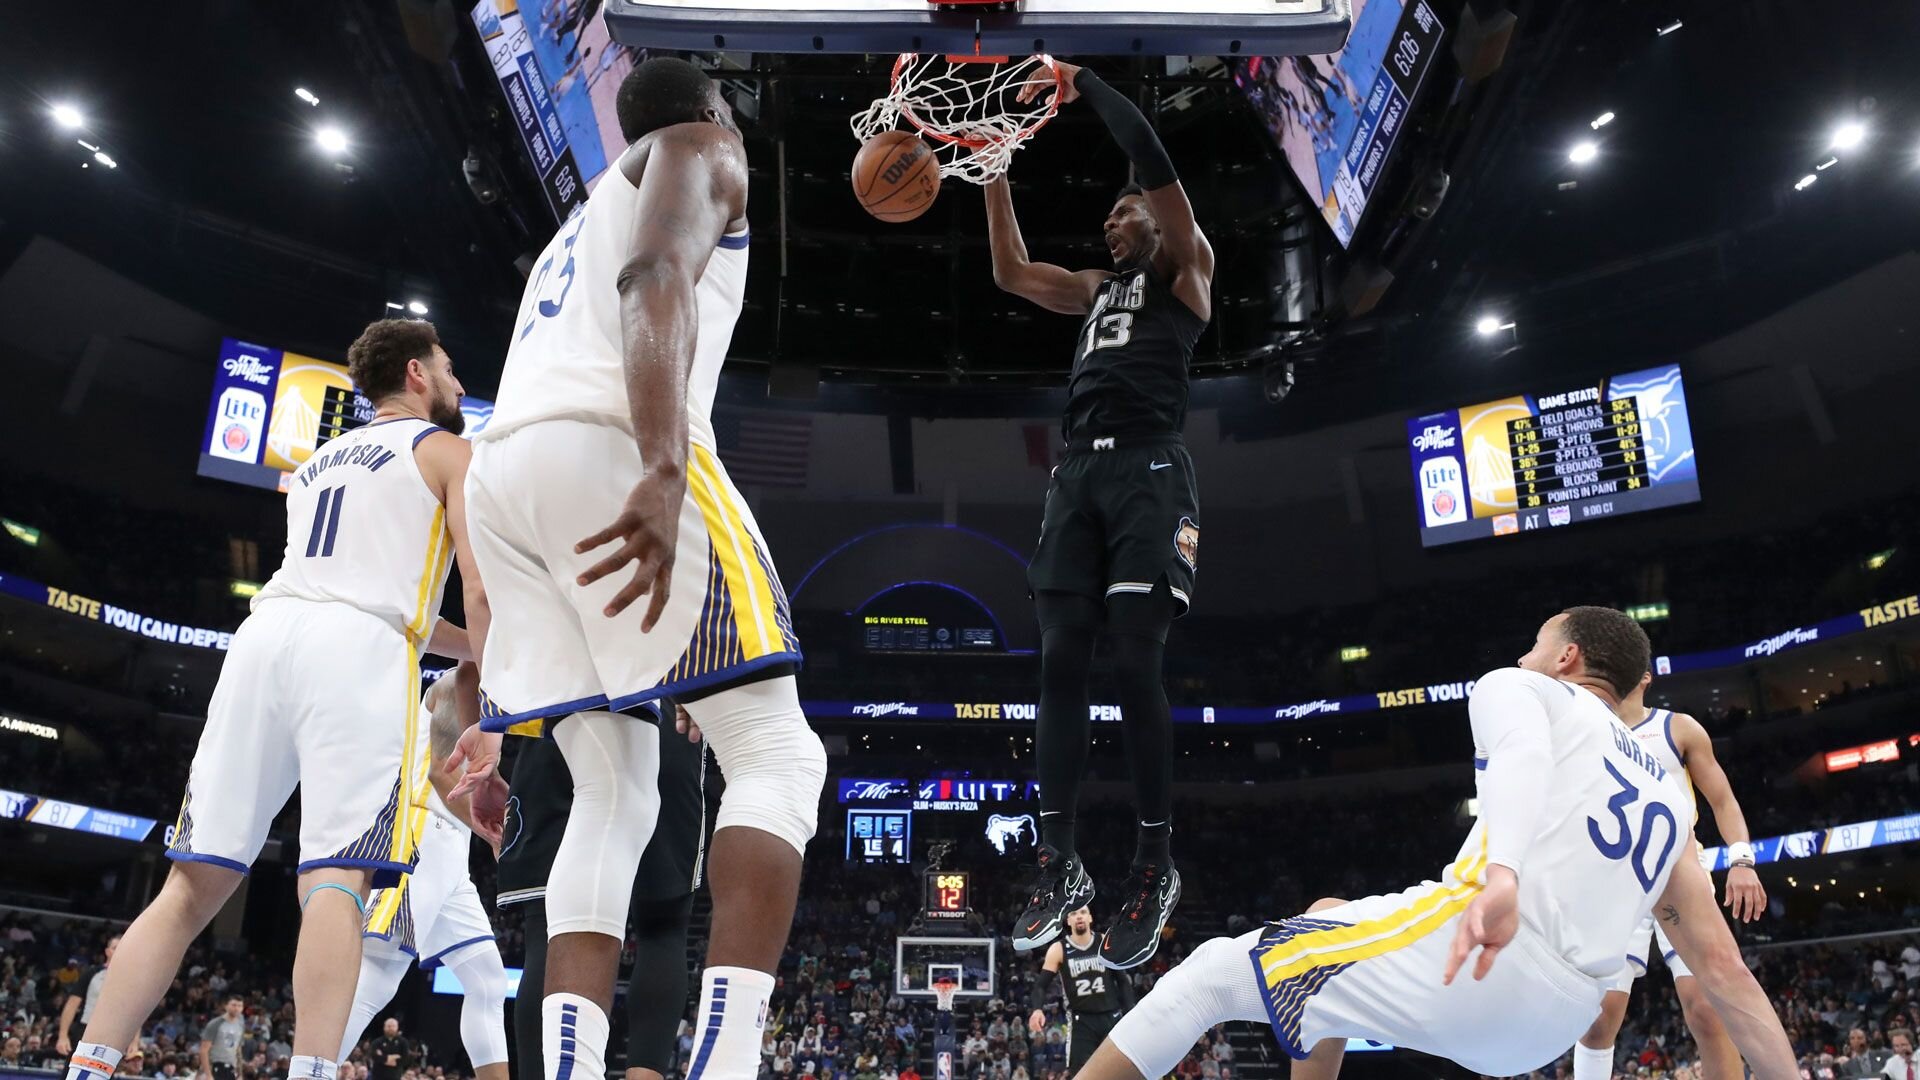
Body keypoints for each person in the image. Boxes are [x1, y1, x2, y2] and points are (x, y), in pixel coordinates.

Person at [449, 54, 825, 1080]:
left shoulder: (566, 231)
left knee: (615, 790)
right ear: (709, 112)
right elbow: (655, 277)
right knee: (781, 758)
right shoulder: (708, 147)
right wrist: (663, 466)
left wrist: (493, 723)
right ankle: (728, 1062)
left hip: (506, 483)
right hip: (614, 446)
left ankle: (570, 1068)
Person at [1065, 607, 1799, 1080]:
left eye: (1537, 641)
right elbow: (1728, 976)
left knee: (1209, 974)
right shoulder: (1671, 797)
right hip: (1555, 1026)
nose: (1527, 650)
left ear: (1569, 657)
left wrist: (1503, 875)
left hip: (1489, 956)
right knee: (1323, 930)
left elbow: (1520, 757)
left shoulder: (1527, 689)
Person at [61, 318, 485, 1080]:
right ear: (417, 373)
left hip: (266, 639)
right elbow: (474, 595)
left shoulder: (317, 463)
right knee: (336, 876)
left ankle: (87, 1066)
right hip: (358, 650)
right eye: (450, 370)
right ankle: (314, 1071)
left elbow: (395, 599)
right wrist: (494, 703)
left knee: (191, 884)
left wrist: (451, 640)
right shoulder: (450, 451)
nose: (459, 384)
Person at [987, 58, 1214, 970]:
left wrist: (1087, 88)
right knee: (1058, 659)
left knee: (1134, 657)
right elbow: (1008, 272)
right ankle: (1058, 860)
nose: (1113, 219)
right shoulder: (1090, 289)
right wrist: (990, 163)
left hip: (1151, 471)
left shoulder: (1188, 272)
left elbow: (1151, 158)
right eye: (1110, 214)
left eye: (1127, 210)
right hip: (1077, 475)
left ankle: (1153, 864)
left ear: (1160, 219)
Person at [1572, 671, 1768, 1080]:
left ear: (1644, 676)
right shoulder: (1582, 728)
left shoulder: (1676, 728)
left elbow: (1724, 800)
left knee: (1707, 1011)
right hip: (1614, 880)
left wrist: (1742, 861)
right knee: (1598, 1021)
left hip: (1679, 875)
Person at [499, 700, 708, 1080]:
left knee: (546, 926)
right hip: (662, 705)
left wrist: (485, 731)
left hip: (555, 707)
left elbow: (471, 669)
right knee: (664, 925)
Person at [341, 667, 509, 1080]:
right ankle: (307, 1071)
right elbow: (438, 771)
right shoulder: (460, 682)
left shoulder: (498, 693)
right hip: (421, 836)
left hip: (452, 850)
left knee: (488, 979)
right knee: (379, 974)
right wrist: (495, 837)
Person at [1026, 907, 1134, 1073]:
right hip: (1081, 1021)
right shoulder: (1058, 949)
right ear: (1068, 921)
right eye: (1074, 914)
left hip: (1111, 1016)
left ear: (1090, 917)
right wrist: (1037, 1010)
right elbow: (1040, 985)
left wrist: (1131, 1010)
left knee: (1119, 1071)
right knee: (1080, 1073)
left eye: (1083, 912)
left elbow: (1123, 981)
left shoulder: (1104, 941)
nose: (1079, 917)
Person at [56, 936, 119, 1056]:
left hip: (112, 1036)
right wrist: (63, 1036)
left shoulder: (130, 978)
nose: (118, 951)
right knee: (74, 1072)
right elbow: (72, 1004)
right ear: (107, 951)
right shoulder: (92, 973)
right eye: (115, 948)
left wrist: (134, 1042)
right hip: (85, 1029)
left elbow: (134, 1011)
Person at [198, 998, 245, 1080]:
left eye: (239, 1006)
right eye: (234, 1005)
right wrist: (208, 1074)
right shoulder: (215, 1024)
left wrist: (240, 1073)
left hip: (231, 1068)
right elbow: (203, 1050)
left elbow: (238, 1050)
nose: (236, 1008)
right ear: (226, 1006)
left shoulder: (240, 1026)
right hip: (215, 1066)